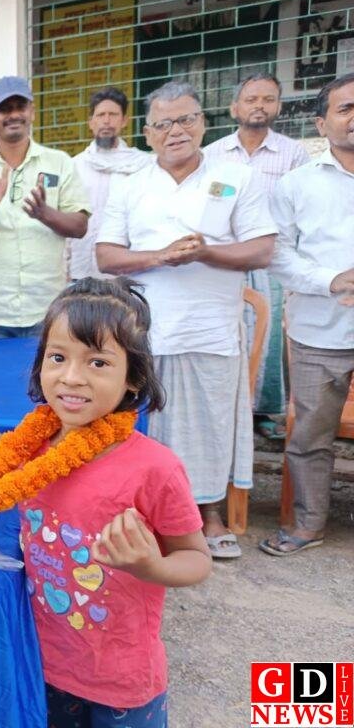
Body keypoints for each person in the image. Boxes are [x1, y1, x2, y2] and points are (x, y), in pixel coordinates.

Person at [0, 277, 211, 726]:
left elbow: (196, 558)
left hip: (119, 677)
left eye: (98, 362)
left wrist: (150, 567)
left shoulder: (155, 468)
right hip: (44, 658)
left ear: (133, 378)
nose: (71, 377)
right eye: (58, 357)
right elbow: (6, 464)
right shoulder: (40, 440)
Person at [96, 81, 278, 559]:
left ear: (203, 123)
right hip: (144, 333)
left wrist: (206, 252)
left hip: (211, 329)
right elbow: (107, 256)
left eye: (186, 120)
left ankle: (209, 515)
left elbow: (261, 248)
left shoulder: (236, 177)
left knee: (211, 426)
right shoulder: (131, 184)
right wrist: (160, 256)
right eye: (163, 124)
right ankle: (149, 517)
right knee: (148, 429)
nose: (176, 131)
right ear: (148, 133)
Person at [261, 73, 354, 557]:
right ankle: (308, 523)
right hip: (320, 330)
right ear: (322, 123)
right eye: (345, 108)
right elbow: (278, 255)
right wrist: (333, 280)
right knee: (311, 434)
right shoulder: (297, 184)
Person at [204, 73, 312, 439]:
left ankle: (263, 412)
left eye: (268, 99)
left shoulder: (293, 153)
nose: (259, 106)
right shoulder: (214, 153)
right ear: (235, 107)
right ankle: (228, 407)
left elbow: (299, 210)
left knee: (266, 339)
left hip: (271, 259)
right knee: (227, 332)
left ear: (278, 106)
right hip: (224, 258)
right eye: (251, 100)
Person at [0, 76, 90, 339]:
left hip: (47, 313)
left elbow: (80, 227)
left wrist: (44, 213)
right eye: (4, 108)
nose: (14, 115)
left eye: (20, 107)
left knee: (44, 382)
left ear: (32, 112)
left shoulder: (59, 163)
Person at [68, 87, 149, 280]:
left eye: (113, 115)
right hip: (81, 271)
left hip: (127, 273)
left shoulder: (142, 165)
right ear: (90, 122)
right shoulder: (74, 166)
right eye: (100, 115)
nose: (106, 121)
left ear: (124, 121)